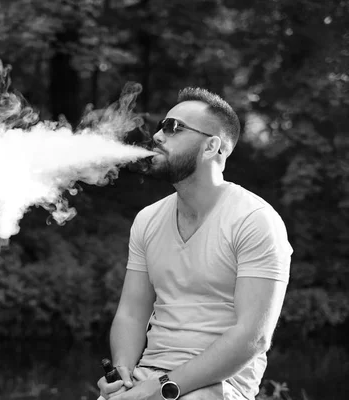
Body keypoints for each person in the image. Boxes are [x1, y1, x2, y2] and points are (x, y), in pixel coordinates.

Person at [97, 87, 292, 400]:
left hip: (220, 386)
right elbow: (132, 312)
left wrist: (162, 389)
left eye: (174, 128)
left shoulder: (255, 220)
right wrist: (122, 372)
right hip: (148, 377)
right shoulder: (147, 219)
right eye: (162, 125)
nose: (159, 135)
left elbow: (252, 338)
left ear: (211, 146)